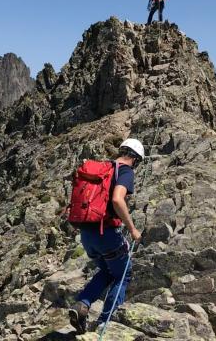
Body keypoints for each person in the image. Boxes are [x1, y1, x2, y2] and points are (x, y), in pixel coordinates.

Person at [68, 138, 144, 334]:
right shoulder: (125, 171)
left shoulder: (104, 168)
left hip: (87, 234)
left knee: (108, 272)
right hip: (106, 234)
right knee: (123, 274)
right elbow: (118, 200)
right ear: (135, 159)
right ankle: (105, 323)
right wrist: (133, 229)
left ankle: (83, 304)